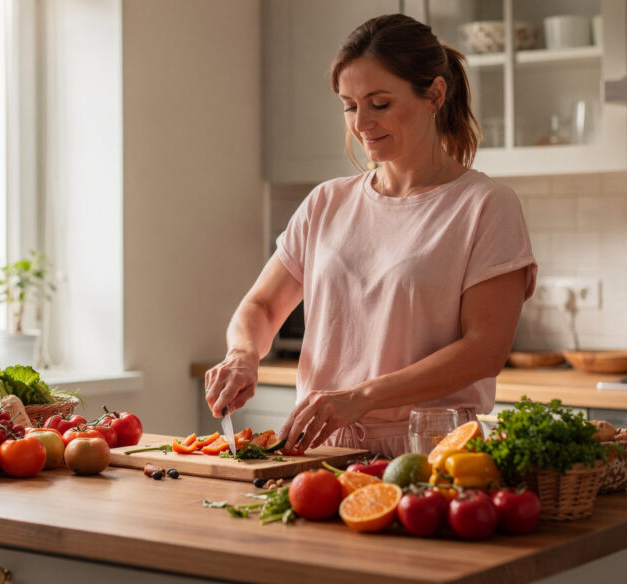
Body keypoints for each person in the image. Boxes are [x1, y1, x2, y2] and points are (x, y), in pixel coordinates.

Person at [205, 13, 537, 458]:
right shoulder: (326, 202)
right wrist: (242, 354)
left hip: (433, 451)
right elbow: (263, 305)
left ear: (434, 94)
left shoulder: (485, 205)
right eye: (349, 104)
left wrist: (359, 398)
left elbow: (484, 351)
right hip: (319, 448)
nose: (361, 122)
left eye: (379, 103)